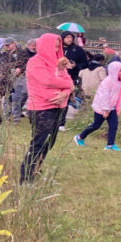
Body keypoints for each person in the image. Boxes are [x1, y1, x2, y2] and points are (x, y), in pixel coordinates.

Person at [19, 33, 73, 183]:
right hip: (41, 108)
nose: (56, 49)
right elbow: (47, 81)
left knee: (49, 142)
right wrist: (68, 86)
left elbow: (68, 80)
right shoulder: (35, 62)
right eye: (54, 46)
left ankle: (36, 169)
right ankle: (25, 177)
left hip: (58, 107)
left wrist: (65, 93)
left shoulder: (59, 63)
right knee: (38, 142)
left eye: (58, 47)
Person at [75, 61, 121, 151]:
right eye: (120, 70)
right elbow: (104, 96)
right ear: (114, 71)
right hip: (101, 107)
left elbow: (119, 96)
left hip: (112, 107)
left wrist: (118, 108)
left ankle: (110, 145)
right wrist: (106, 110)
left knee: (114, 125)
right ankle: (79, 137)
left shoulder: (120, 82)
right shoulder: (107, 82)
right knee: (96, 125)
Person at [59, 31, 90, 130]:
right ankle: (51, 120)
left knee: (66, 99)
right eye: (67, 37)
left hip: (71, 77)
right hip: (56, 77)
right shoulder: (58, 49)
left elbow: (85, 63)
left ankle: (61, 123)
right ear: (62, 38)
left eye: (71, 37)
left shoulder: (77, 50)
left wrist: (76, 66)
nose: (69, 39)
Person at [8, 39, 37, 122]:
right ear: (28, 46)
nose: (33, 47)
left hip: (33, 76)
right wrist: (20, 69)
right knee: (19, 94)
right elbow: (23, 63)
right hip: (23, 75)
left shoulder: (36, 54)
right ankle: (15, 112)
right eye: (32, 45)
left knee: (26, 94)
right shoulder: (24, 53)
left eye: (34, 45)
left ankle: (19, 109)